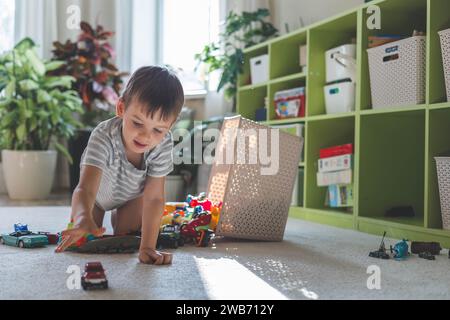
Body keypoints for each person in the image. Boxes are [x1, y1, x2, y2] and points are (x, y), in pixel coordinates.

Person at [55, 66, 184, 265]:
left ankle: (120, 218)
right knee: (85, 239)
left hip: (130, 198)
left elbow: (154, 197)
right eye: (138, 123)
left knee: (127, 239)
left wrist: (148, 246)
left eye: (158, 129)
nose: (146, 136)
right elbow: (85, 188)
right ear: (121, 108)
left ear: (170, 125)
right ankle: (85, 220)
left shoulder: (164, 143)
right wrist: (82, 217)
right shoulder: (103, 135)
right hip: (95, 198)